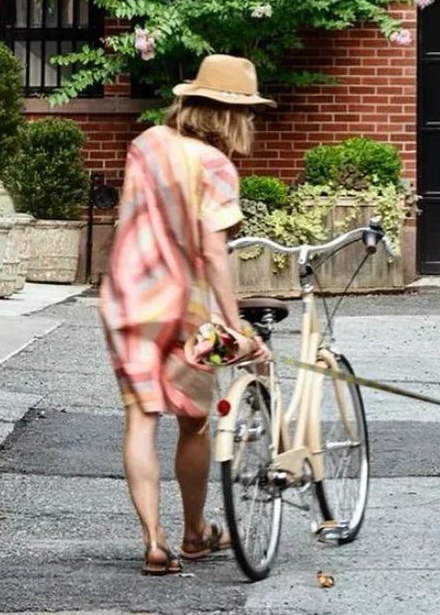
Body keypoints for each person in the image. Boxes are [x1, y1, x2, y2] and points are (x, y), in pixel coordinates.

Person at [99, 53, 274, 575]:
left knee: (140, 418)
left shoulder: (146, 143)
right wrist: (236, 324)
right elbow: (213, 252)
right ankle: (196, 532)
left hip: (127, 294)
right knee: (194, 422)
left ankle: (155, 541)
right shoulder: (216, 166)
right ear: (233, 115)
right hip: (186, 306)